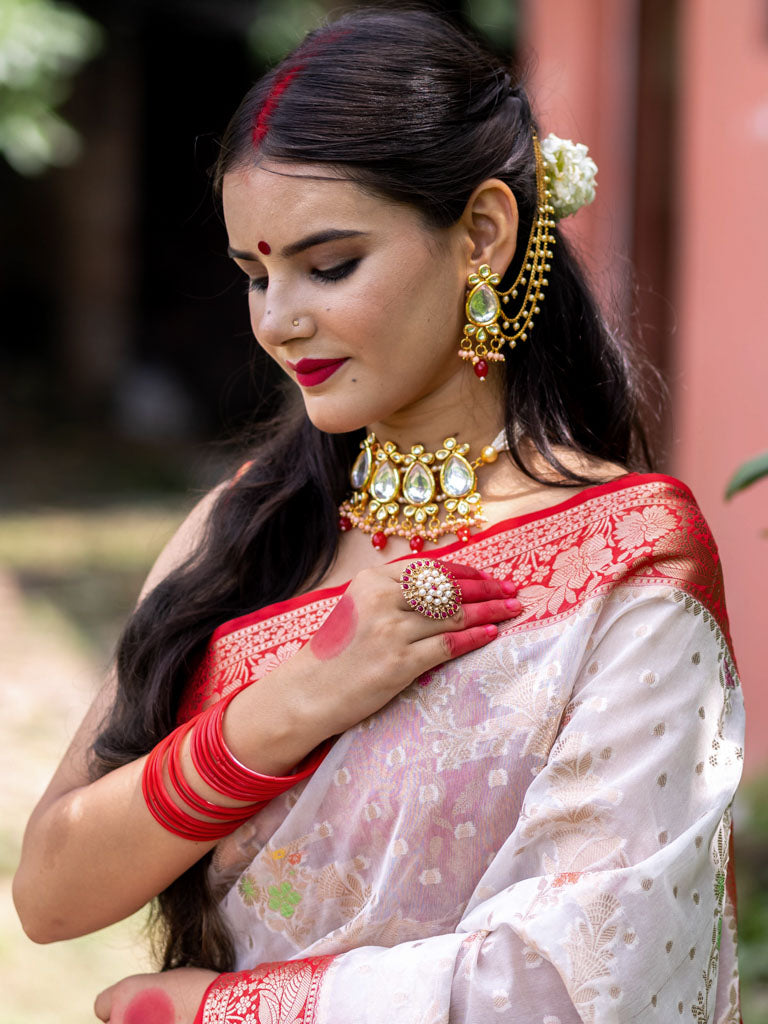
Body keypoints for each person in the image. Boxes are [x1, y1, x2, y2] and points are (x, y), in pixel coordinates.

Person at [13, 9, 744, 1023]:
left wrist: (230, 1012)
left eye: (329, 264)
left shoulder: (624, 563)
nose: (278, 321)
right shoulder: (248, 527)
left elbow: (593, 980)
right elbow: (52, 893)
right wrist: (286, 708)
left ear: (482, 234)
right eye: (255, 275)